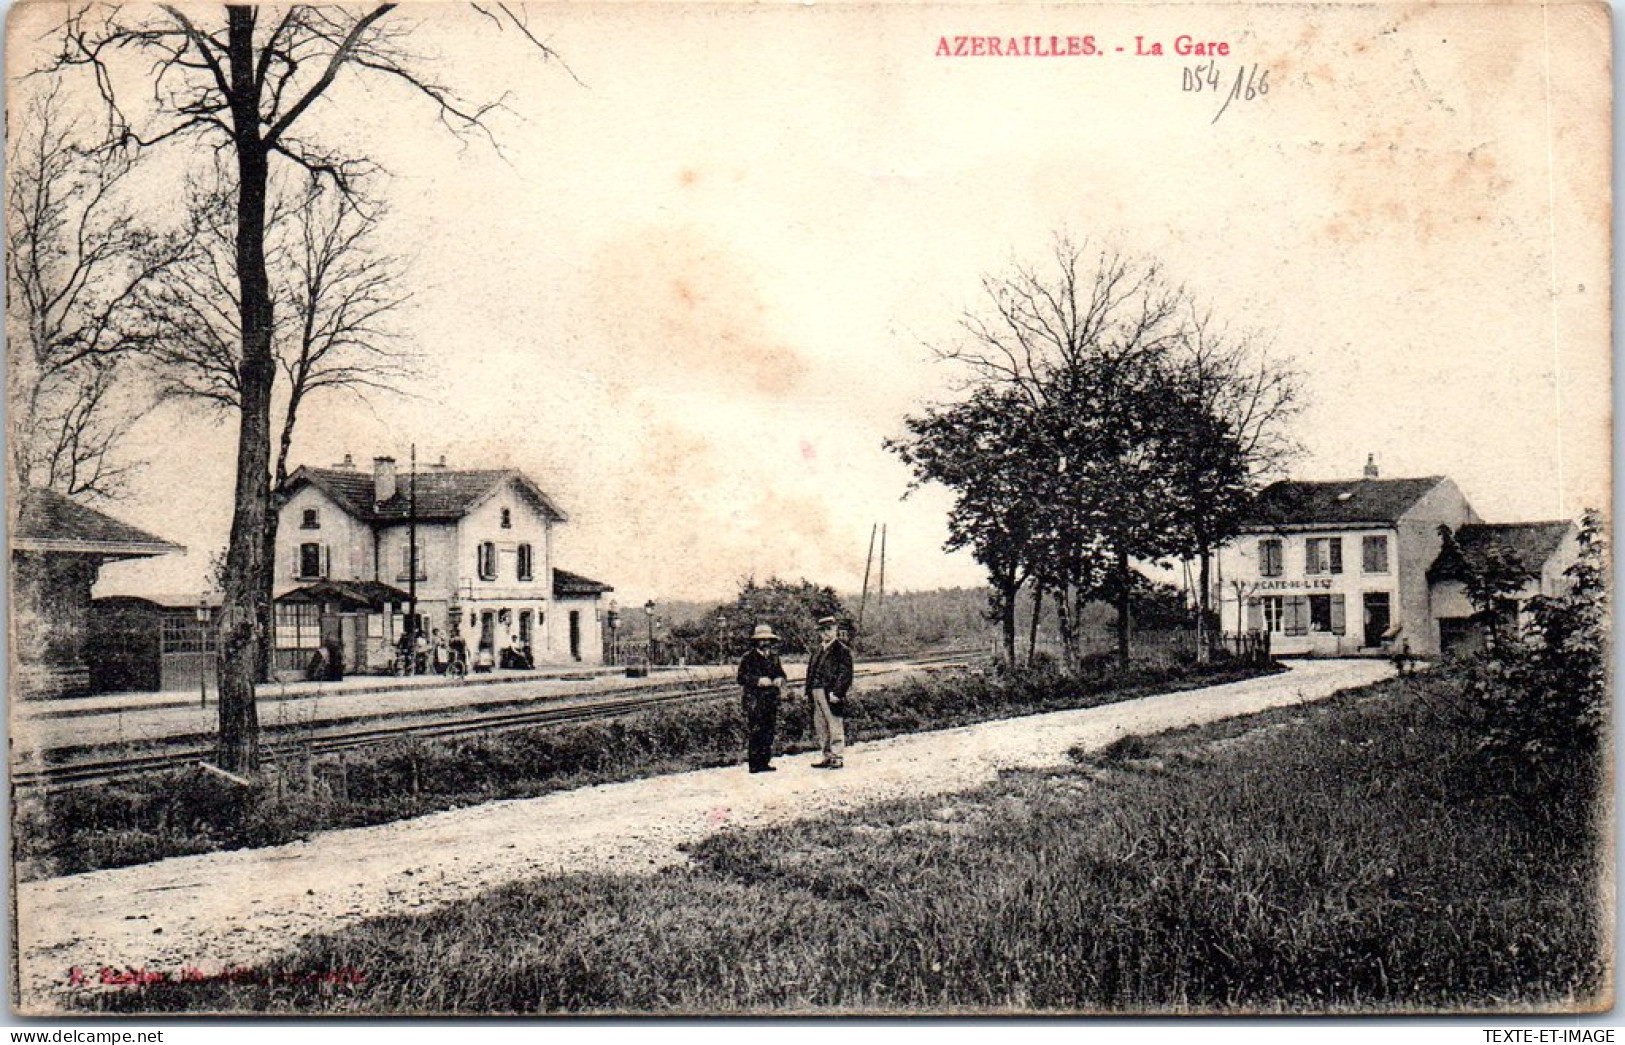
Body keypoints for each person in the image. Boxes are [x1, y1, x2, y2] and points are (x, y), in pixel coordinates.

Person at [736, 623, 787, 774]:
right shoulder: (748, 658)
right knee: (756, 731)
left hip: (771, 700)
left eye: (767, 640)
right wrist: (758, 681)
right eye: (762, 640)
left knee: (769, 731)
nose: (765, 643)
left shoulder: (774, 657)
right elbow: (741, 678)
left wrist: (779, 679)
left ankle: (765, 761)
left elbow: (782, 674)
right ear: (756, 641)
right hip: (754, 701)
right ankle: (754, 763)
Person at [805, 615, 854, 769]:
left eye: (828, 629)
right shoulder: (818, 650)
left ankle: (837, 756)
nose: (825, 633)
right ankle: (826, 756)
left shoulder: (842, 650)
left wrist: (838, 693)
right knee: (821, 726)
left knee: (834, 724)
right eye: (822, 630)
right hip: (816, 691)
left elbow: (845, 674)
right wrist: (809, 691)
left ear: (835, 630)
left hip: (830, 693)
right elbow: (811, 671)